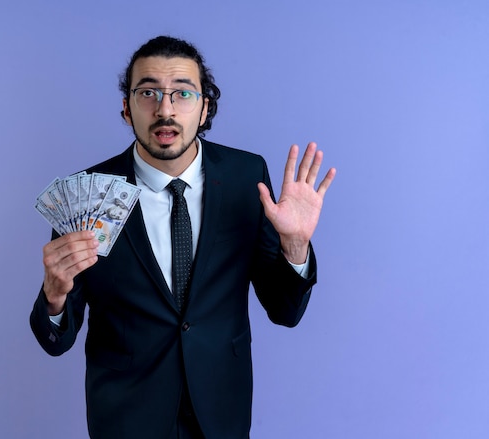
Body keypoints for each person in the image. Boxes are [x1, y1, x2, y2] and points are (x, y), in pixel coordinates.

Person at [30, 35, 336, 439]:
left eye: (182, 93)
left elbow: (285, 311)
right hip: (125, 417)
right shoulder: (86, 195)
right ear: (126, 108)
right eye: (148, 92)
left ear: (204, 107)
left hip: (219, 412)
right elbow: (56, 341)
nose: (165, 109)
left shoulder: (247, 178)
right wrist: (54, 294)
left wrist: (295, 247)